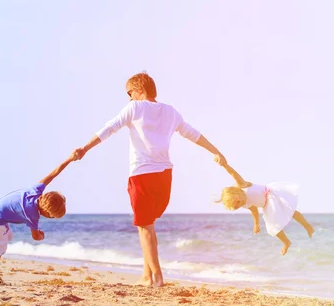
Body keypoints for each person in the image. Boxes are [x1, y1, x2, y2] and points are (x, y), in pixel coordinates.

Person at [73, 72, 226, 287]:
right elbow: (193, 134)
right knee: (148, 225)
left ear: (139, 89)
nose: (128, 98)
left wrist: (85, 148)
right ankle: (146, 275)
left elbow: (110, 128)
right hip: (164, 177)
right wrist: (215, 151)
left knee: (144, 227)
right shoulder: (170, 112)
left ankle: (157, 278)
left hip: (142, 174)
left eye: (129, 93)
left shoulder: (134, 108)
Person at [0, 153, 75, 282]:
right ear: (46, 211)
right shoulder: (32, 215)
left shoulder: (35, 190)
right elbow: (35, 237)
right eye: (51, 216)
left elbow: (54, 173)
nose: (50, 218)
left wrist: (70, 159)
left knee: (3, 235)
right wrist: (41, 235)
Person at [216, 163, 314, 255]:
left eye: (238, 201)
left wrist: (224, 165)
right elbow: (254, 211)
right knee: (272, 227)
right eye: (238, 206)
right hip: (267, 206)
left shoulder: (243, 185)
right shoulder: (246, 203)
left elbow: (233, 173)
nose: (241, 203)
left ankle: (307, 226)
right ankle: (286, 242)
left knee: (290, 211)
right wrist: (256, 224)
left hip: (272, 195)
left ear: (237, 192)